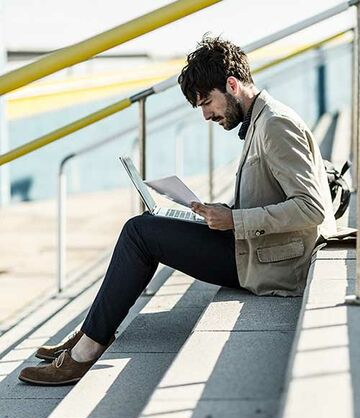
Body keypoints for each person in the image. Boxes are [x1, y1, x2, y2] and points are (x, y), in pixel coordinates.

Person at [18, 36, 336, 386]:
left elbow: (312, 207)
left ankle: (87, 348)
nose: (206, 115)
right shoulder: (262, 120)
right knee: (146, 227)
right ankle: (93, 332)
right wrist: (223, 212)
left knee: (140, 232)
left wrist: (234, 219)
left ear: (232, 84)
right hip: (255, 248)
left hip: (274, 262)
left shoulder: (276, 123)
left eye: (207, 102)